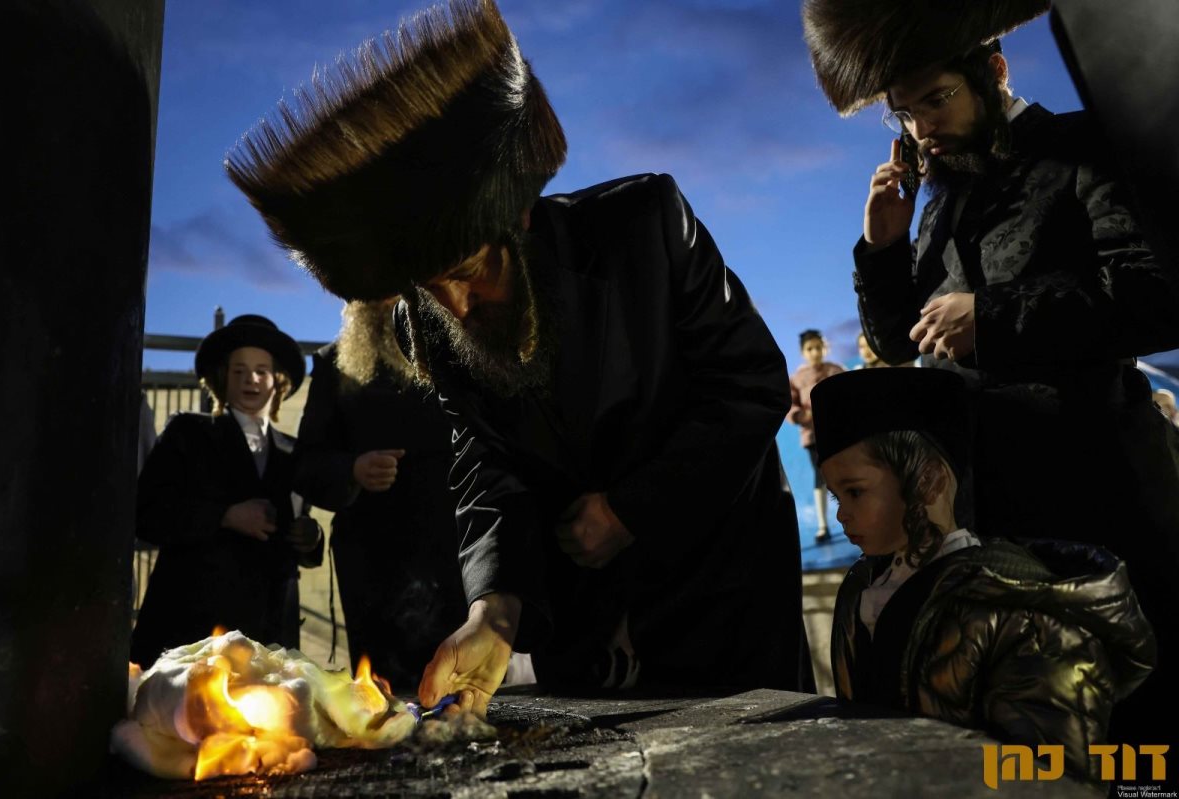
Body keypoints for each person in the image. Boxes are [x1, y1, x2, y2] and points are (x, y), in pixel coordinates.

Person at [226, 0, 809, 717]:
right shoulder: (426, 326)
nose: (458, 305)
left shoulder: (646, 226)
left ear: (519, 220)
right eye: (432, 289)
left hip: (719, 599)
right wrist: (493, 609)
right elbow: (483, 462)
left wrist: (630, 510)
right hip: (587, 636)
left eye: (470, 270)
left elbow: (749, 383)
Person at [803, 0, 1179, 750]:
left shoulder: (1079, 146)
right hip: (994, 518)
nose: (921, 129)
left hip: (1104, 496)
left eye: (936, 100)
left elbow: (1153, 294)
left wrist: (994, 315)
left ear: (995, 72)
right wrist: (881, 247)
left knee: (1141, 730)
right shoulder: (937, 197)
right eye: (904, 114)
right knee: (1030, 742)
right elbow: (894, 342)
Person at [812, 367, 1155, 780]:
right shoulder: (861, 589)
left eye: (855, 491)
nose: (840, 513)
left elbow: (1051, 778)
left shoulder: (1025, 613)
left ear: (929, 481)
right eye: (834, 495)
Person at [130, 315, 323, 668]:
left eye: (262, 371)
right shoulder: (189, 434)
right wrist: (225, 515)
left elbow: (299, 522)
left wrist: (311, 538)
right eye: (239, 371)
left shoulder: (294, 453)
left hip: (268, 640)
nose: (251, 379)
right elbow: (147, 514)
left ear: (278, 381)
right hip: (193, 635)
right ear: (221, 378)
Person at [293, 301, 467, 690]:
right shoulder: (332, 363)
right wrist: (352, 468)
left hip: (454, 550)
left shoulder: (456, 352)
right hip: (373, 562)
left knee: (463, 692)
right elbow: (306, 463)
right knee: (385, 698)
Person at [787, 329, 846, 542]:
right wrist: (803, 415)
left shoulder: (836, 370)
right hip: (812, 437)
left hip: (838, 433)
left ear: (825, 347)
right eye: (809, 348)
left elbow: (849, 394)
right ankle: (823, 525)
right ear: (803, 352)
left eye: (818, 347)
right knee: (820, 475)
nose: (814, 352)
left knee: (845, 473)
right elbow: (789, 405)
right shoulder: (797, 378)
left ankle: (852, 516)